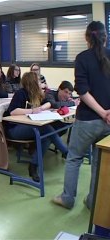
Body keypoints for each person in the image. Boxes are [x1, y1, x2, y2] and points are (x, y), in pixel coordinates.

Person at [53, 21, 110, 210]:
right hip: (108, 121)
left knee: (74, 157)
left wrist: (100, 111)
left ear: (87, 38)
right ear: (105, 37)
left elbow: (83, 91)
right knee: (98, 161)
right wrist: (106, 113)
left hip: (87, 120)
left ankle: (67, 198)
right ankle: (93, 201)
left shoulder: (82, 58)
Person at [5, 72, 68, 182]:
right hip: (14, 129)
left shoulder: (36, 94)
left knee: (47, 135)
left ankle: (33, 165)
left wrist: (42, 108)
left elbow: (49, 103)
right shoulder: (21, 93)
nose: (41, 83)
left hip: (29, 125)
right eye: (39, 81)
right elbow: (13, 111)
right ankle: (66, 151)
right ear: (32, 82)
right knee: (45, 129)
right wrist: (32, 110)